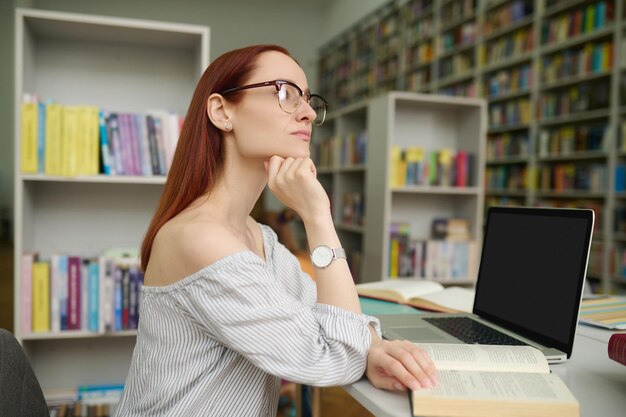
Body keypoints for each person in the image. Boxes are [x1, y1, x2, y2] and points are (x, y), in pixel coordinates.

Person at [114, 44, 438, 417]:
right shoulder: (199, 239)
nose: (307, 113)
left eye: (308, 99)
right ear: (222, 112)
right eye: (285, 92)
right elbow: (337, 356)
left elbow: (330, 319)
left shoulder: (254, 234)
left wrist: (374, 346)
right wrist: (317, 215)